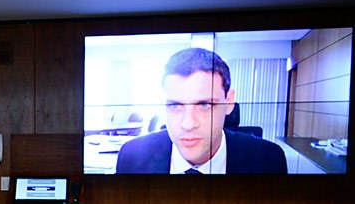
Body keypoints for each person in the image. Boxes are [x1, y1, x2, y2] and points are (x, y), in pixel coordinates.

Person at [115, 48, 287, 174]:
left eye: (205, 105)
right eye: (175, 105)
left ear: (229, 102)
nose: (188, 124)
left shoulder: (268, 160)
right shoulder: (132, 157)